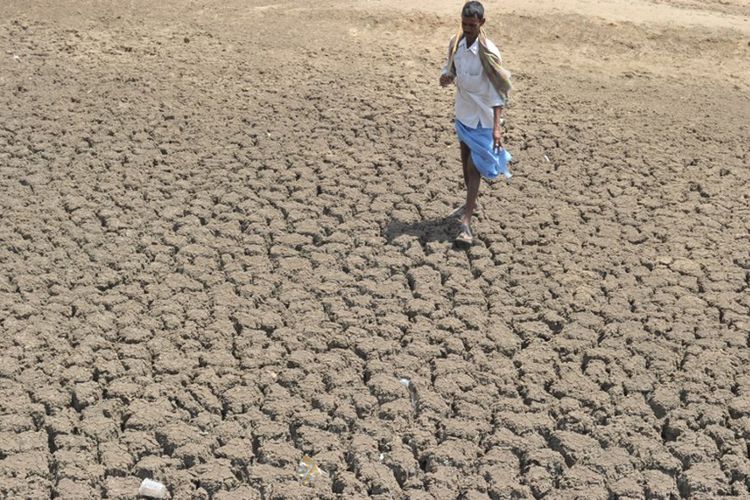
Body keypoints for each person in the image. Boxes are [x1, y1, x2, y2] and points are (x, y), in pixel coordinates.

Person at [440, 1, 512, 245]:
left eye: (472, 25)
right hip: (463, 113)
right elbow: (450, 66)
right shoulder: (456, 43)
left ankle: (466, 224)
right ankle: (472, 203)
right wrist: (446, 76)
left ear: (482, 23)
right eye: (464, 24)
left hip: (483, 117)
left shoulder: (489, 52)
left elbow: (499, 91)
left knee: (474, 168)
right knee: (464, 162)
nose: (468, 29)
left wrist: (497, 127)